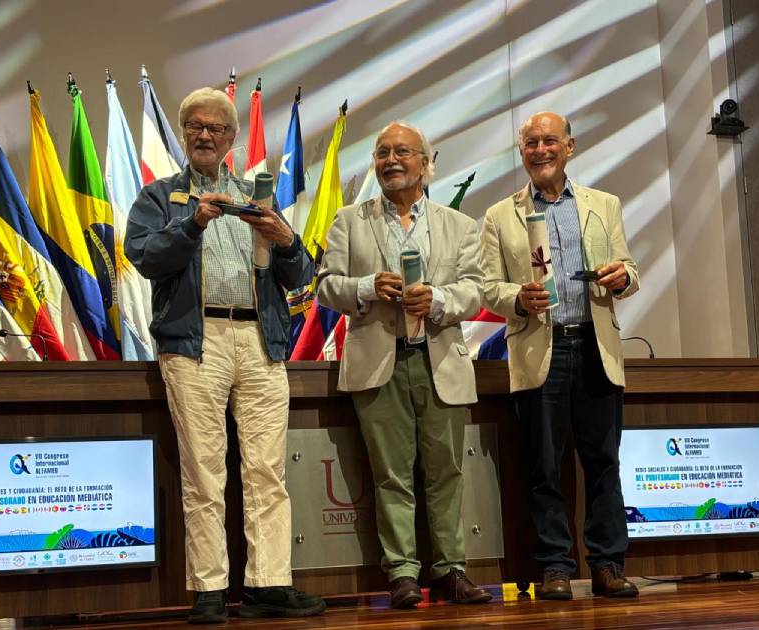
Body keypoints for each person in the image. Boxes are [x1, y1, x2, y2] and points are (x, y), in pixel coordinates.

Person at [125, 87, 325, 624]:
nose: (205, 135)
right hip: (196, 342)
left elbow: (302, 276)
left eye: (216, 128)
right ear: (184, 134)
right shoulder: (160, 197)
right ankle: (210, 588)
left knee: (267, 471)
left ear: (233, 139)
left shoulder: (256, 197)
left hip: (260, 342)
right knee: (204, 472)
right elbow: (143, 256)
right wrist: (193, 222)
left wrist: (284, 238)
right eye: (195, 126)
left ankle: (268, 584)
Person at [316, 122, 491, 609]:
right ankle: (402, 574)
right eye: (382, 153)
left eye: (402, 152)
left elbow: (475, 289)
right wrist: (368, 287)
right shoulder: (349, 220)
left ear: (425, 162)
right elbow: (326, 286)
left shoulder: (458, 225)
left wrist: (437, 299)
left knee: (445, 472)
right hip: (378, 361)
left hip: (440, 360)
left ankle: (451, 571)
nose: (391, 160)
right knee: (391, 474)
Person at [479, 111, 641, 600]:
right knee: (543, 466)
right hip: (537, 348)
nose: (541, 150)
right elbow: (488, 289)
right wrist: (517, 298)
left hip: (595, 344)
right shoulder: (498, 215)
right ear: (522, 152)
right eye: (531, 143)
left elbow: (630, 269)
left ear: (569, 146)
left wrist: (622, 277)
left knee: (603, 463)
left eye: (550, 140)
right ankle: (554, 567)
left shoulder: (603, 205)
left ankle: (608, 565)